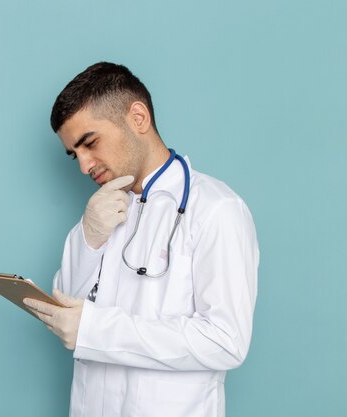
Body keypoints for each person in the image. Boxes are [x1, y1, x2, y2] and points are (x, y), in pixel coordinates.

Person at [23, 62, 259, 417]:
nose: (84, 166)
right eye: (75, 154)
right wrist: (89, 237)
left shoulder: (216, 209)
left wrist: (98, 331)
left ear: (138, 117)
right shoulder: (103, 210)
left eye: (90, 143)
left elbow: (225, 341)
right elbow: (68, 308)